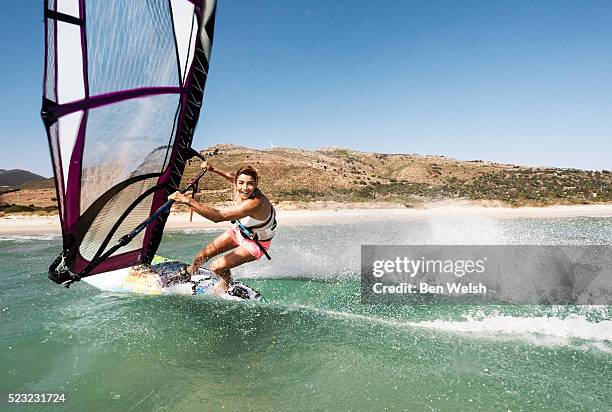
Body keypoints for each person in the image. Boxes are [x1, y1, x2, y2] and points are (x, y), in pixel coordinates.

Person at [168, 162, 276, 294]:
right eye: (241, 182)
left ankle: (226, 280)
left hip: (256, 244)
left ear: (256, 184)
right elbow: (231, 176)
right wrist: (214, 169)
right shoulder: (239, 184)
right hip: (241, 231)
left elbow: (218, 216)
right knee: (202, 255)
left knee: (217, 267)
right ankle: (190, 271)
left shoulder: (255, 203)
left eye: (250, 184)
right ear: (236, 181)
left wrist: (187, 200)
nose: (245, 188)